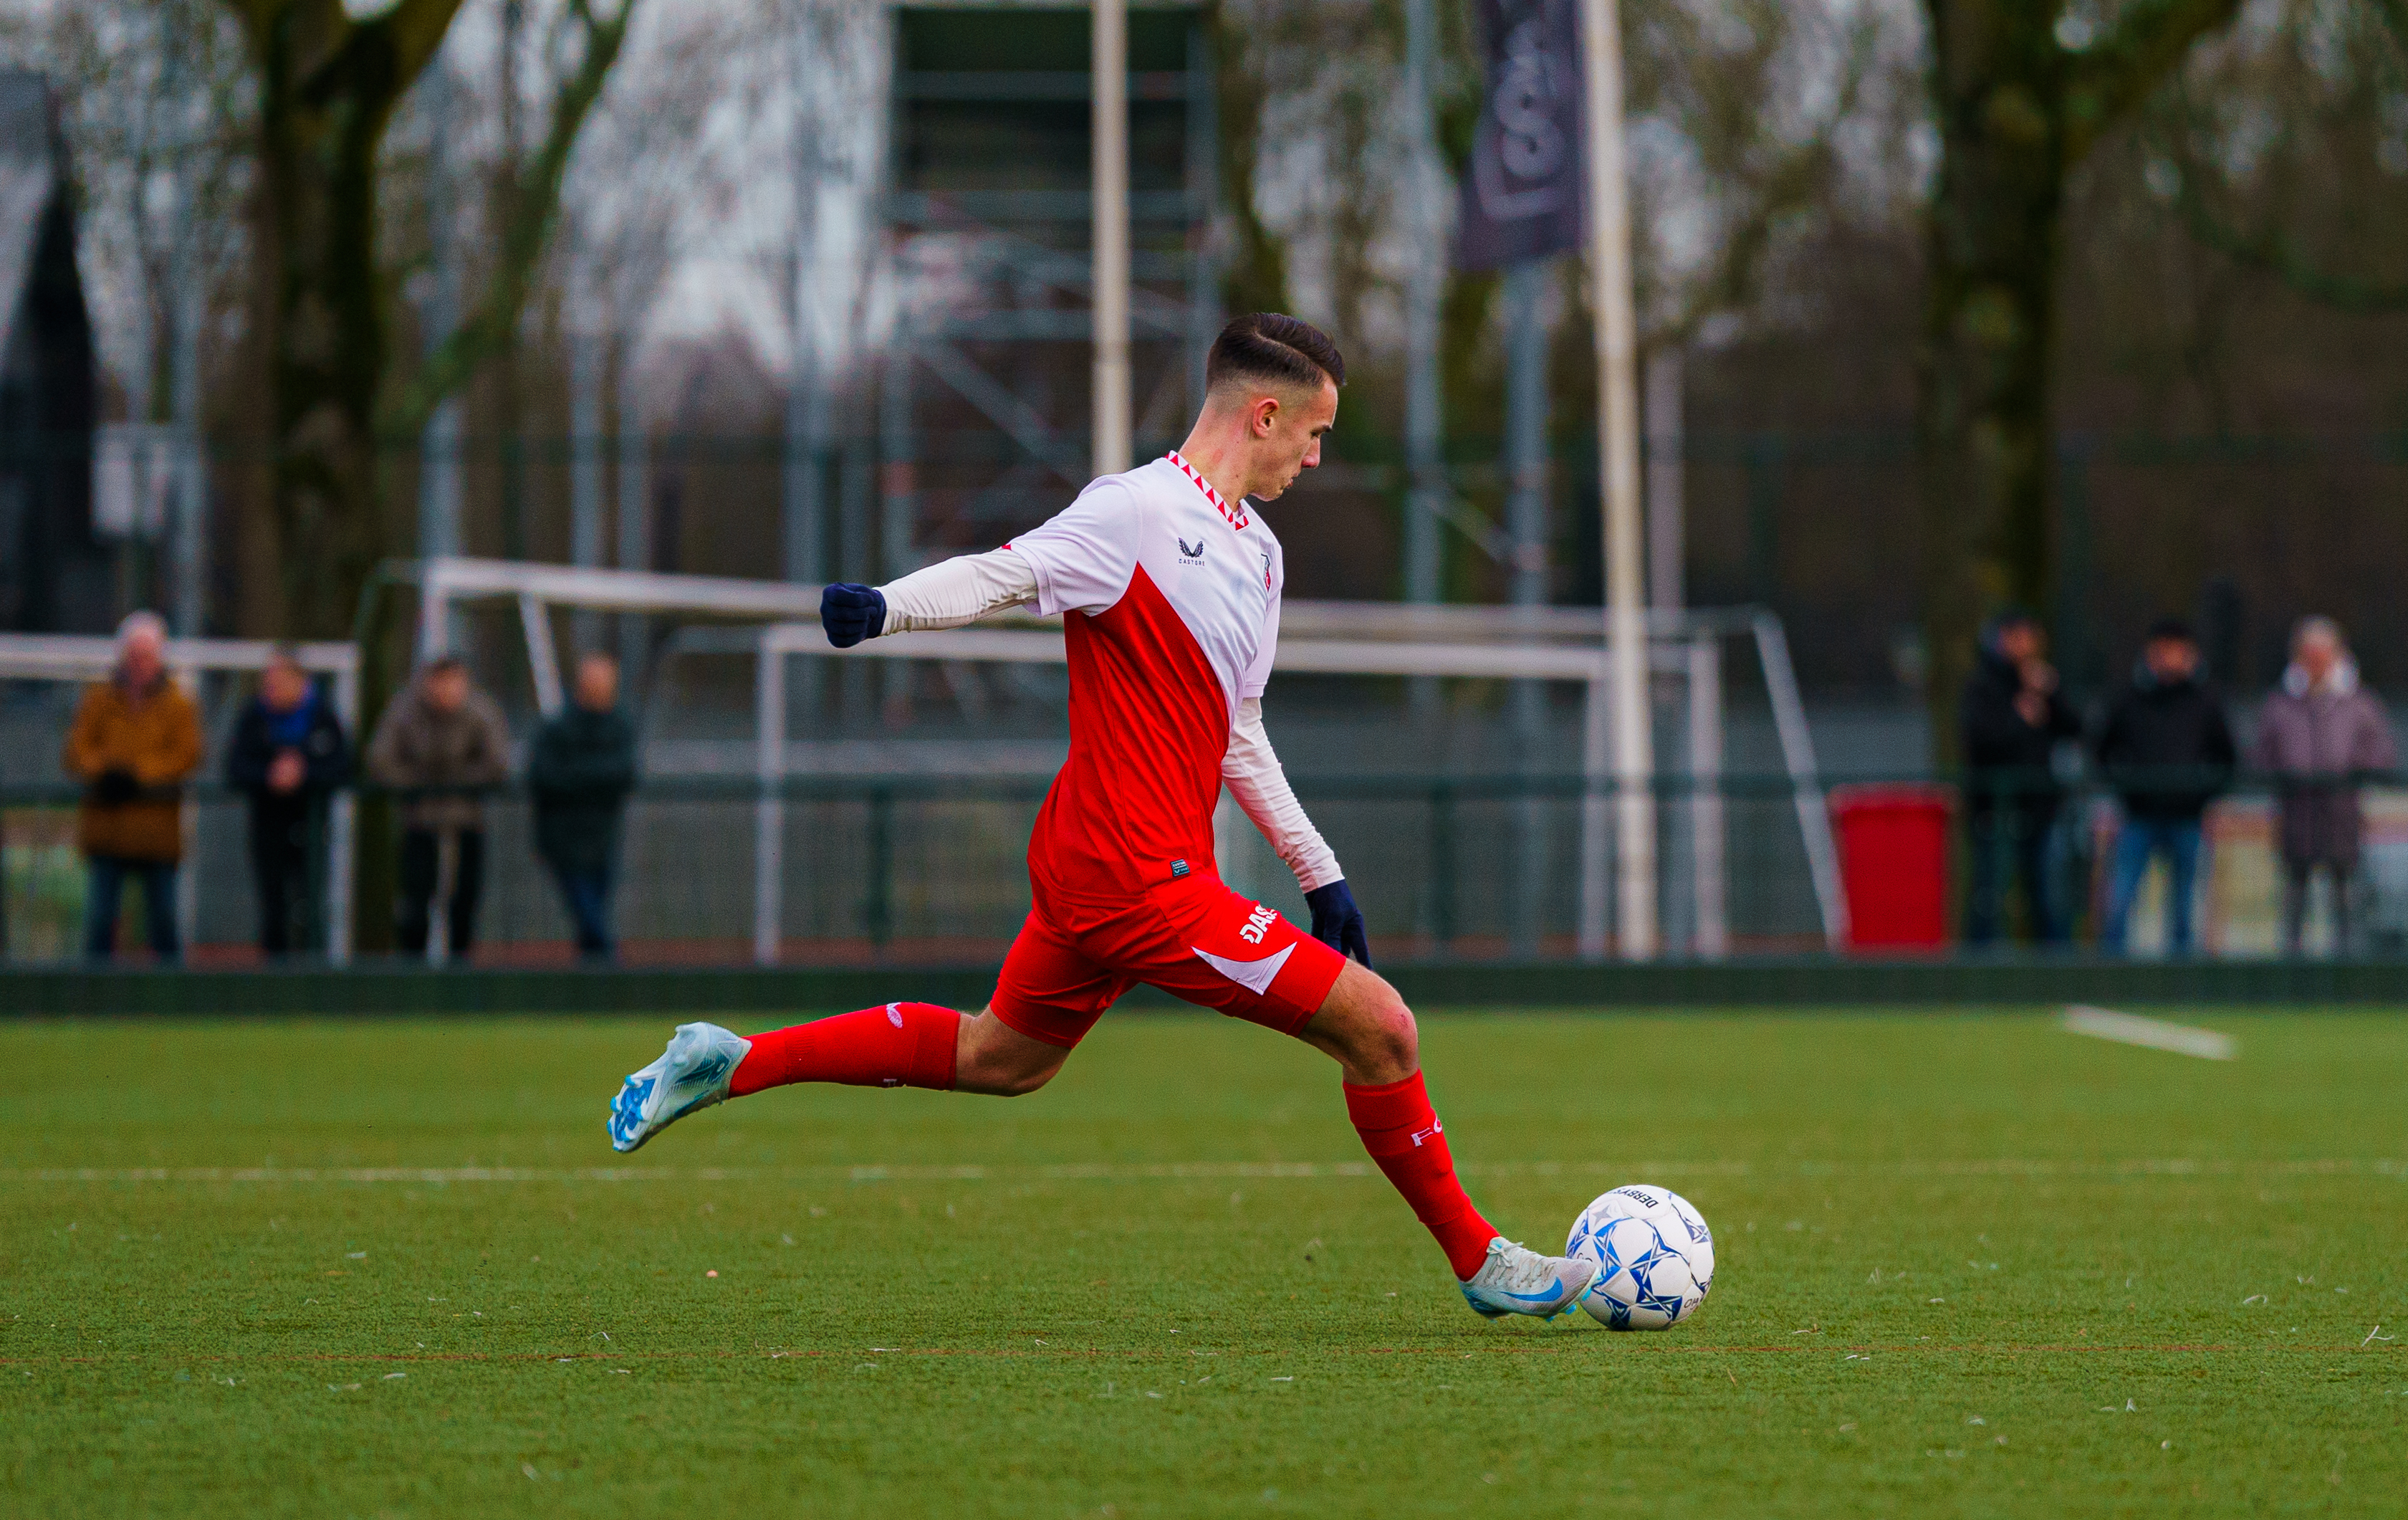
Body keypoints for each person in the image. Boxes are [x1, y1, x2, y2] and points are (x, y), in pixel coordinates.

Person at [600, 315, 1602, 1319]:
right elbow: (1005, 571)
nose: (1315, 453)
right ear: (1264, 413)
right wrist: (886, 607)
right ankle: (1481, 1262)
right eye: (1312, 431)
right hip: (1140, 883)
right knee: (1383, 1029)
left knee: (1000, 1057)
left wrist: (1319, 871)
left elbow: (1238, 730)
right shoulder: (1131, 514)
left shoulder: (1260, 556)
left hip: (1108, 867)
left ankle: (731, 1061)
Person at [64, 612, 203, 963]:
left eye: (147, 655)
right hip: (107, 829)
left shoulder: (179, 704)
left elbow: (186, 754)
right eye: (134, 654)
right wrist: (105, 772)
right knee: (99, 918)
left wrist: (138, 775)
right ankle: (93, 998)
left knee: (164, 920)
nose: (140, 663)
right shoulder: (98, 699)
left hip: (156, 832)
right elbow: (77, 750)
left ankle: (171, 1001)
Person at [2253, 616, 2395, 957]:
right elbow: (2261, 755)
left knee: (2345, 896)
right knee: (2295, 896)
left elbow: (2382, 753)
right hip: (2296, 816)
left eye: (2322, 654)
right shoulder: (2279, 703)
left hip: (2342, 816)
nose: (2315, 661)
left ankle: (2345, 971)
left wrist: (2352, 770)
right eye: (2309, 654)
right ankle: (2292, 969)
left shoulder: (2361, 703)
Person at [2092, 619, 2236, 957]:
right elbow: (2100, 750)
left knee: (2185, 909)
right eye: (2164, 649)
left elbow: (2227, 759)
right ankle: (2112, 977)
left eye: (2179, 650)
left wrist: (2200, 797)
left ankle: (2181, 983)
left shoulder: (2206, 700)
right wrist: (2127, 791)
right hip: (2138, 816)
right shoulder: (2128, 696)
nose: (2171, 658)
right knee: (2120, 902)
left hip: (2187, 818)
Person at [366, 656, 513, 962]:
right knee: (414, 908)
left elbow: (498, 763)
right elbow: (380, 760)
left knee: (464, 906)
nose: (446, 691)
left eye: (453, 683)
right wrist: (419, 782)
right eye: (439, 682)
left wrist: (457, 781)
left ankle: (459, 983)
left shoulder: (480, 712)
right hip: (420, 824)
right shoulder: (405, 711)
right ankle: (412, 982)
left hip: (466, 824)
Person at [220, 647, 355, 961]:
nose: (271, 687)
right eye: (268, 681)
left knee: (311, 905)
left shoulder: (322, 716)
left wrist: (304, 774)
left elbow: (343, 765)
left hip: (312, 827)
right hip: (268, 826)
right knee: (273, 905)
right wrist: (269, 775)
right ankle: (273, 981)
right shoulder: (254, 717)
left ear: (299, 681)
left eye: (278, 680)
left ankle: (314, 974)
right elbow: (235, 767)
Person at [1959, 612, 2077, 947]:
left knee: (2048, 895)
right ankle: (1977, 975)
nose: (2024, 645)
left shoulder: (2045, 682)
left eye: (2029, 636)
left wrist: (2052, 694)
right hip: (1993, 811)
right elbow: (1980, 741)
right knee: (1988, 897)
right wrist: (2018, 717)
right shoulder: (1982, 685)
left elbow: (2076, 729)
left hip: (2040, 809)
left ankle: (2055, 974)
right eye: (2016, 636)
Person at [529, 652, 642, 962]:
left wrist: (579, 777)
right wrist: (592, 780)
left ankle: (591, 984)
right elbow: (545, 776)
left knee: (593, 915)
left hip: (603, 838)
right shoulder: (558, 727)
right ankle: (609, 967)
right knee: (589, 915)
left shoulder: (620, 727)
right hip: (562, 840)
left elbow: (624, 773)